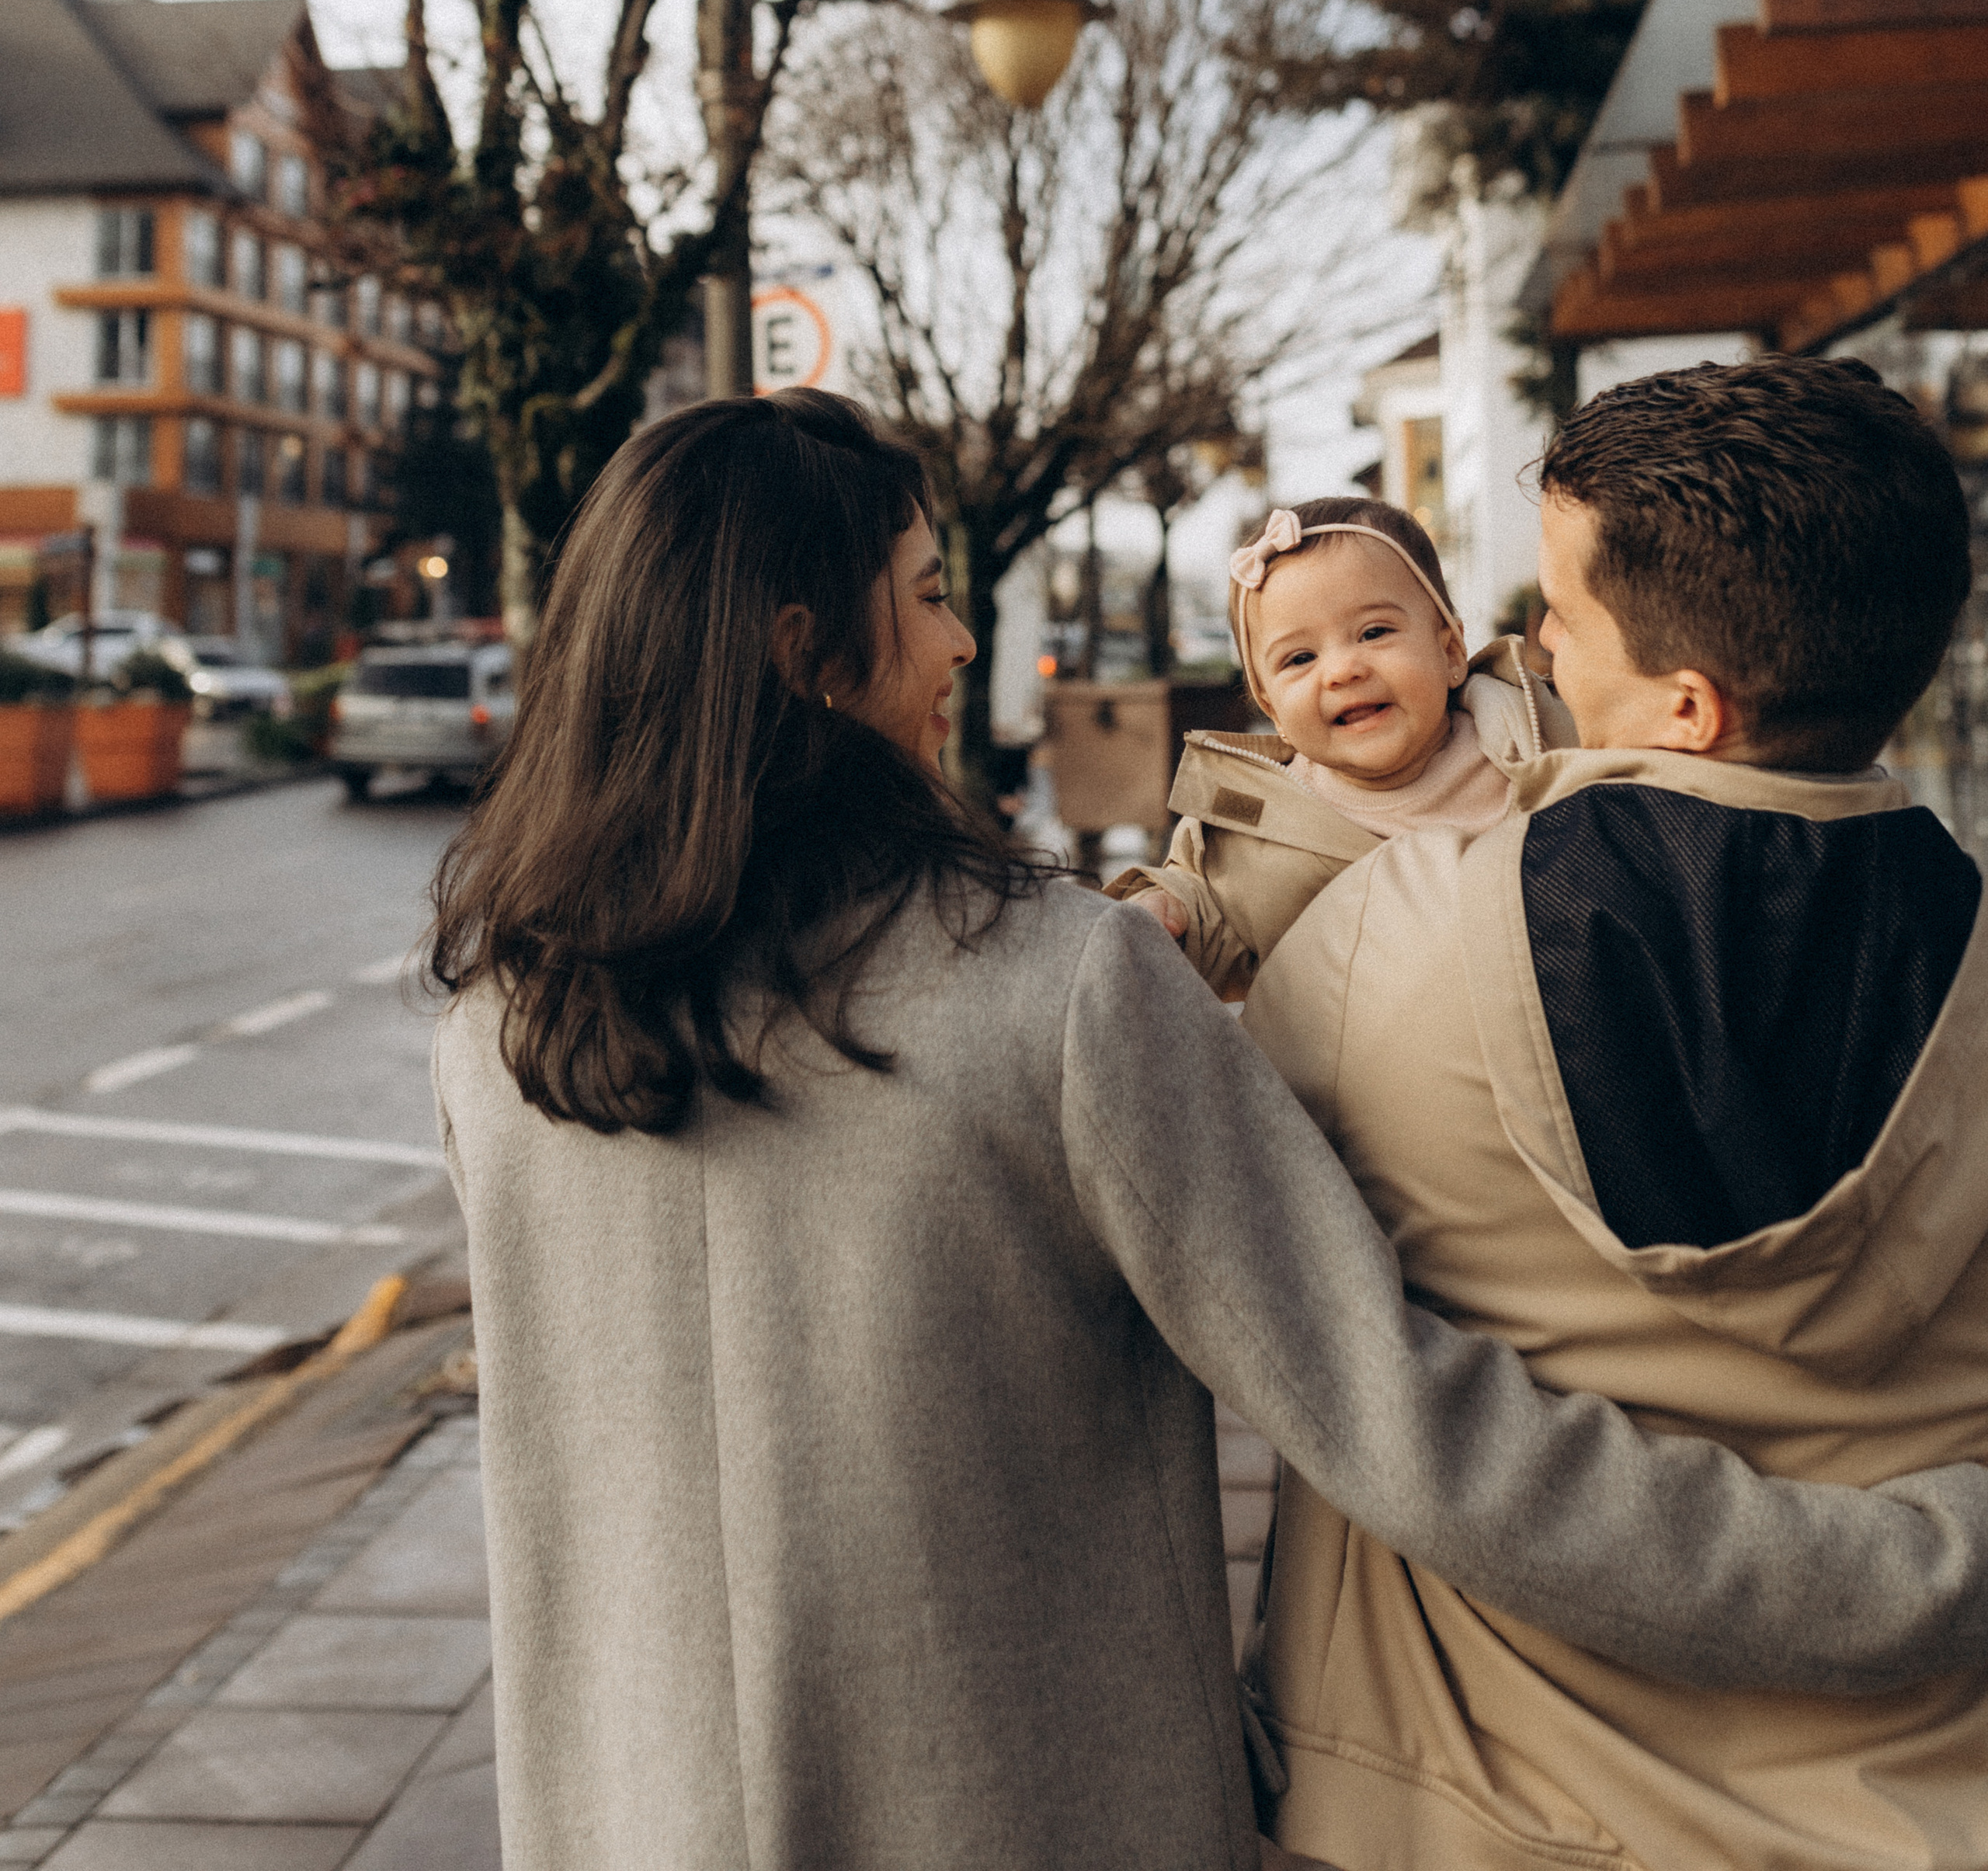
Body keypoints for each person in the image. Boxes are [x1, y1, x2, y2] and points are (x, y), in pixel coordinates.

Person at [429, 388, 1988, 1871]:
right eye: (922, 596)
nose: (965, 640)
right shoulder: (1050, 990)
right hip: (1025, 1814)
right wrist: (1908, 1571)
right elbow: (1412, 1432)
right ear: (802, 653)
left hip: (626, 1817)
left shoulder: (496, 1035)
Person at [1238, 355, 1988, 1871]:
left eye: (1558, 619)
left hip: (1482, 1812)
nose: (1530, 649)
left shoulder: (1376, 958)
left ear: (1688, 706)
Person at [1108, 496, 1573, 993]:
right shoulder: (1263, 827)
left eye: (1374, 632)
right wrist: (1167, 911)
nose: (1342, 670)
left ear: (1451, 652)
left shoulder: (1536, 733)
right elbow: (1213, 906)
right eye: (1300, 658)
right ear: (1272, 711)